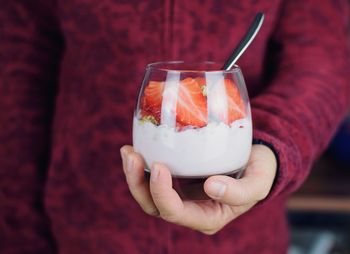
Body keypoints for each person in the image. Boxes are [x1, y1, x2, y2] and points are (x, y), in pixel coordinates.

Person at [0, 0, 349, 253]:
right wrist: (20, 234)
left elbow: (323, 59)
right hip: (83, 223)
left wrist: (272, 147)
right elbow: (19, 70)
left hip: (243, 230)